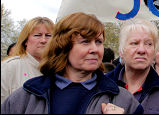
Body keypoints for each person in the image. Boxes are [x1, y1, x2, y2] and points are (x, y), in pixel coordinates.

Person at [1, 12, 142, 114]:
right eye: (85, 42)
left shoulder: (123, 100)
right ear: (63, 46)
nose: (95, 49)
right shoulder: (26, 97)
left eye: (98, 42)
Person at [106, 18, 159, 114]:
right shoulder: (101, 86)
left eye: (148, 44)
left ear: (154, 52)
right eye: (134, 43)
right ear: (121, 51)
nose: (142, 50)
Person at [1, 17, 54, 104]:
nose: (43, 40)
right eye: (37, 35)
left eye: (48, 36)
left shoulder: (61, 70)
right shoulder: (9, 67)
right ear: (26, 40)